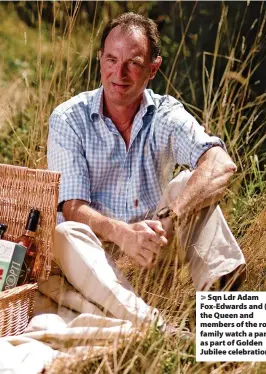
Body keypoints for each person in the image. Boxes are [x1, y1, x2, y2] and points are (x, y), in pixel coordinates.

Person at [47, 12, 246, 329]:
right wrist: (123, 235)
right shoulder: (69, 118)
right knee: (65, 232)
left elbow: (221, 163)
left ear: (153, 68)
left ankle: (229, 323)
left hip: (153, 255)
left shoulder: (165, 113)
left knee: (187, 185)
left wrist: (171, 217)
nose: (119, 73)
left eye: (133, 63)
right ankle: (159, 329)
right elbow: (72, 208)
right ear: (100, 59)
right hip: (97, 265)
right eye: (111, 59)